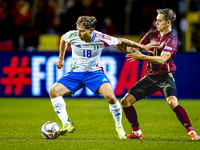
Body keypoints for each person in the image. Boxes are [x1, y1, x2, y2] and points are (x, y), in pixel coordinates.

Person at [49, 16, 158, 140]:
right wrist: (61, 58)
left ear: (91, 30)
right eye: (78, 30)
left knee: (111, 97)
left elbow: (121, 40)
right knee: (54, 92)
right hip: (76, 73)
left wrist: (143, 47)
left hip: (95, 74)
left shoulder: (101, 38)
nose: (79, 33)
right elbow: (63, 39)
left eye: (82, 31)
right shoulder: (72, 35)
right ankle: (66, 124)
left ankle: (119, 127)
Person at [116, 8, 200, 140]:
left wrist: (142, 57)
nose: (156, 23)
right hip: (150, 77)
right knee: (126, 101)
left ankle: (191, 132)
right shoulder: (151, 34)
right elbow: (137, 48)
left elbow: (162, 59)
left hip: (165, 76)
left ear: (168, 22)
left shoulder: (172, 39)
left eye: (159, 21)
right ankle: (137, 133)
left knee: (172, 102)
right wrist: (124, 49)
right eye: (156, 20)